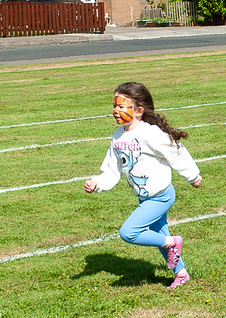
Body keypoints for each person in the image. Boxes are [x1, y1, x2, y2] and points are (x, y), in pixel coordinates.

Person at [84, 82, 202, 289]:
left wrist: (192, 176)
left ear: (139, 111)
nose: (115, 111)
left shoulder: (151, 134)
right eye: (114, 105)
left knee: (129, 232)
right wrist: (97, 183)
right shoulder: (118, 136)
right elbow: (112, 169)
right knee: (161, 236)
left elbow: (176, 151)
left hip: (160, 196)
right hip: (144, 197)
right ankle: (181, 273)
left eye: (122, 106)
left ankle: (174, 242)